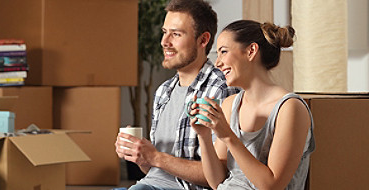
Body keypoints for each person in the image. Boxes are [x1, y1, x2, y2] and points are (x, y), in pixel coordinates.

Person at [115, 0, 238, 189]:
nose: (164, 42)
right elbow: (156, 172)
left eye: (176, 34)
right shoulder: (163, 91)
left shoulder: (220, 89)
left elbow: (222, 177)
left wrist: (156, 157)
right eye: (165, 32)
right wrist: (141, 156)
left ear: (203, 40)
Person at [189, 20, 315, 189]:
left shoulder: (290, 108)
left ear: (251, 51)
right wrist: (203, 136)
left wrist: (227, 136)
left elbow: (271, 185)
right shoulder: (230, 104)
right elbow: (217, 181)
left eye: (223, 52)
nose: (217, 63)